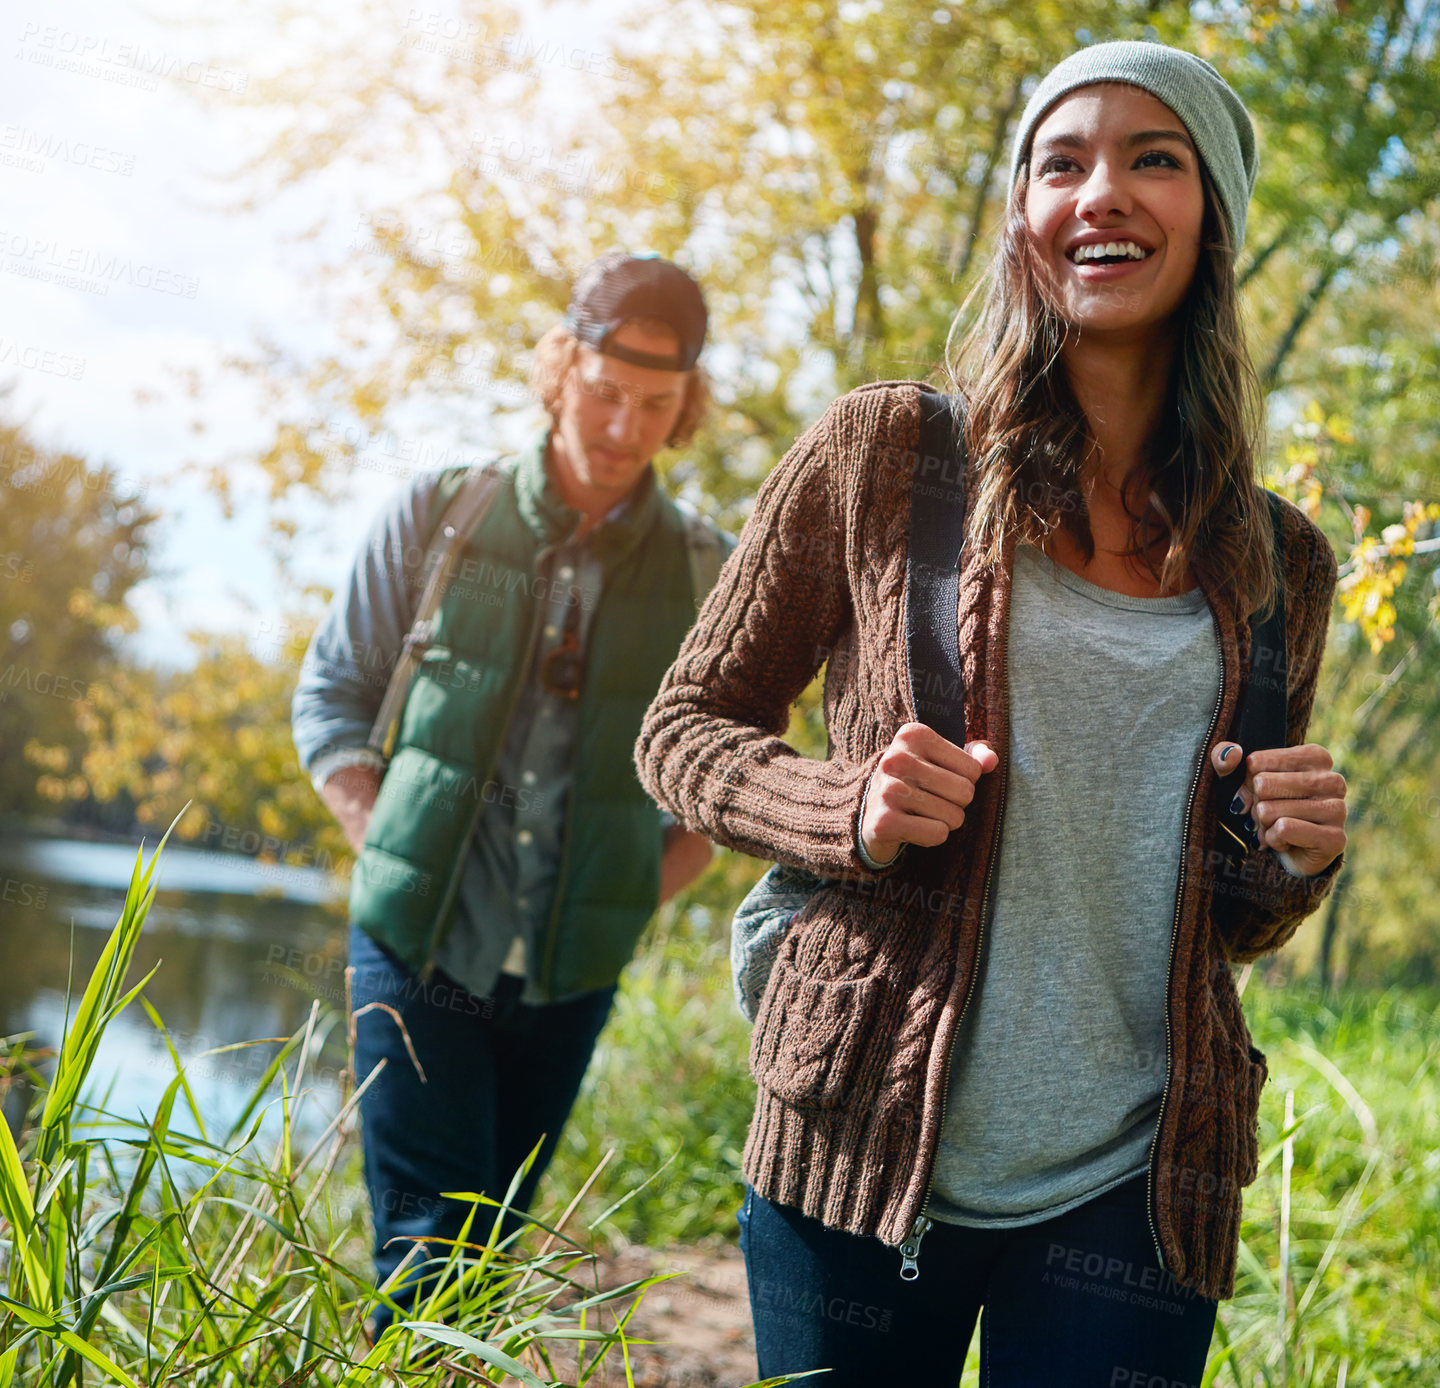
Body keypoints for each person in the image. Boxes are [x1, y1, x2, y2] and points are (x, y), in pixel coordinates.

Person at [636, 42, 1347, 1385]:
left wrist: (1294, 859)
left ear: (1214, 219)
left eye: (1154, 159)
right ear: (1022, 211)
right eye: (1061, 161)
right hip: (860, 1138)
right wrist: (839, 806)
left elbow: (1232, 914)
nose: (1102, 193)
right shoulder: (888, 455)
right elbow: (684, 726)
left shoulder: (1278, 560)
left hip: (1137, 1181)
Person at [292, 251, 729, 1338]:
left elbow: (727, 778)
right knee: (425, 1257)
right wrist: (378, 834)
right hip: (416, 940)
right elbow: (332, 697)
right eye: (603, 391)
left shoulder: (706, 571)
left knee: (486, 1262)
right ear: (557, 368)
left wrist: (633, 892)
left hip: (572, 972)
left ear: (685, 408)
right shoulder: (441, 513)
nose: (624, 425)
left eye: (655, 404)